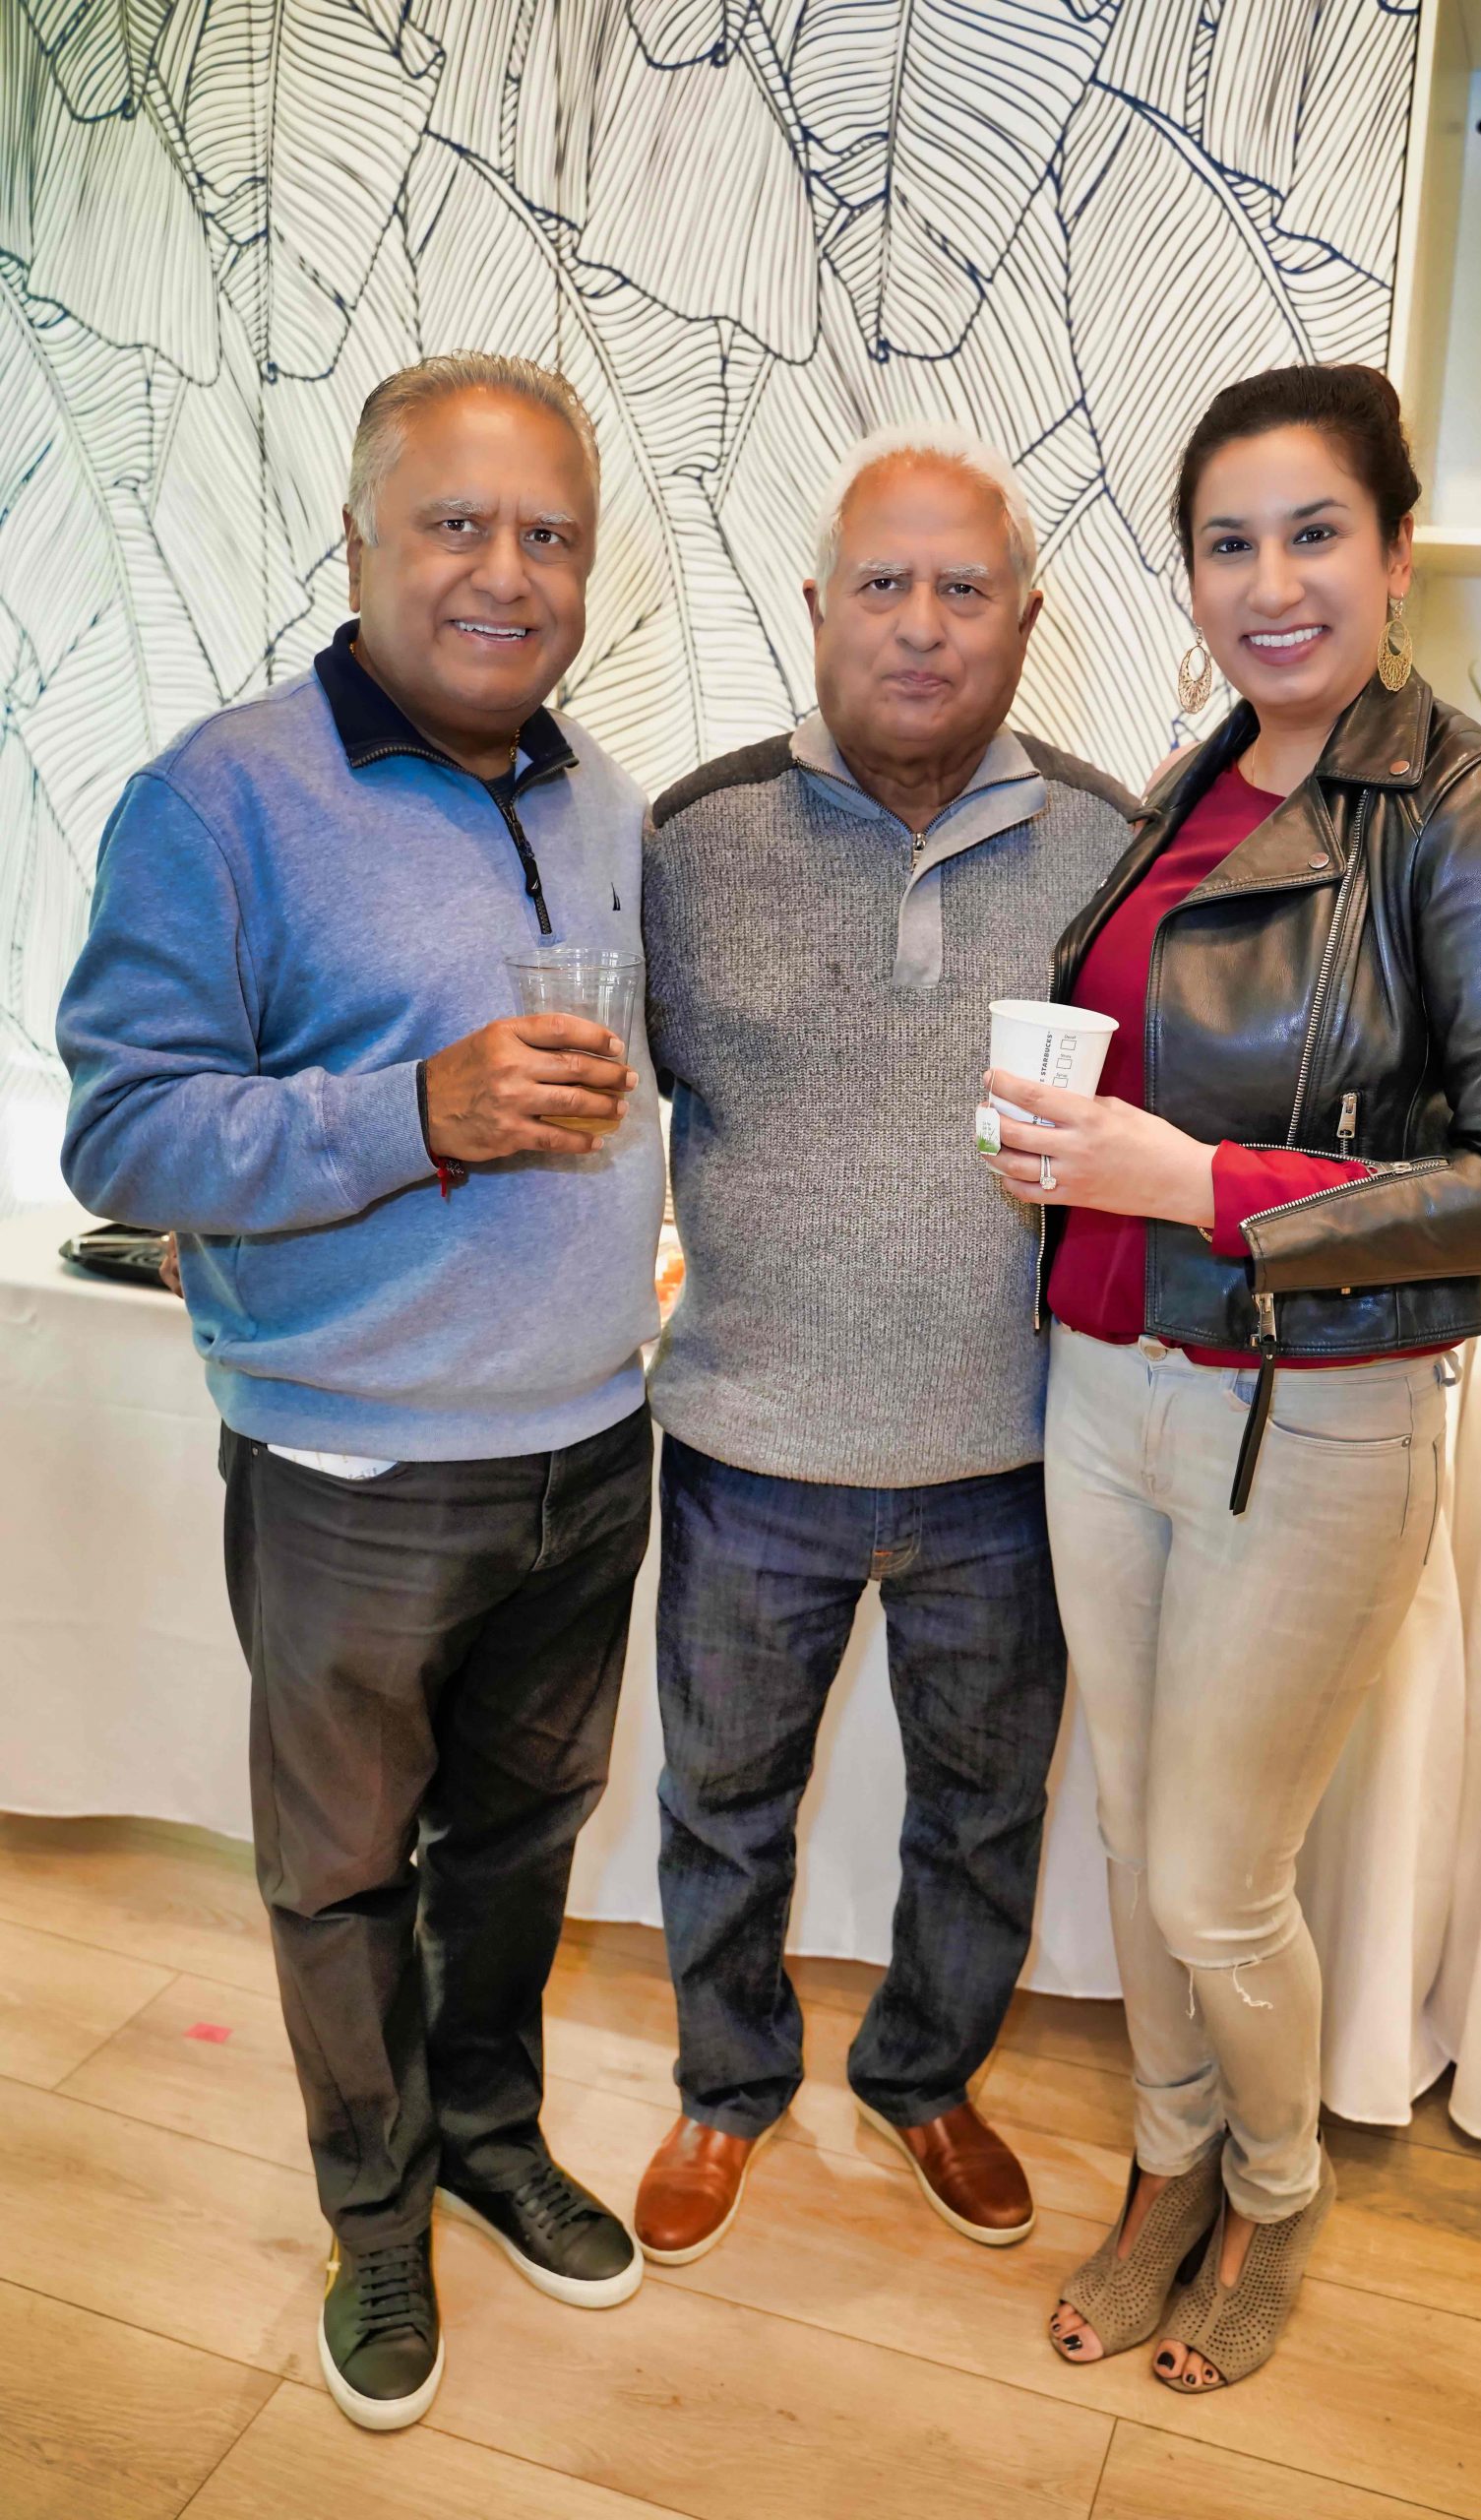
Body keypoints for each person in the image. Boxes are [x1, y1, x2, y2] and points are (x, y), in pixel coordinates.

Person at [57, 354, 665, 2431]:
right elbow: (125, 1136)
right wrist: (415, 1110)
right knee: (341, 1870)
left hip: (588, 1442)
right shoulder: (218, 800)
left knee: (521, 1841)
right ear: (358, 539)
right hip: (352, 1462)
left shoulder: (602, 797)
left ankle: (488, 2135)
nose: (507, 571)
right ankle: (375, 2204)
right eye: (457, 522)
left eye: (550, 533)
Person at [980, 362, 1481, 2392]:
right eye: (1226, 543)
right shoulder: (1194, 783)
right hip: (1105, 1387)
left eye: (1313, 532)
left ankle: (1274, 2181)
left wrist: (1197, 1182)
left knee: (1212, 1878)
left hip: (1308, 1413)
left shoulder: (1471, 804)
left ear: (1397, 551)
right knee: (1133, 1836)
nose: (1269, 583)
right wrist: (1068, 1160)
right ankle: (1168, 2163)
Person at [633, 423, 1141, 2265]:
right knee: (722, 1805)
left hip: (1013, 1454)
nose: (921, 623)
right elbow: (606, 1111)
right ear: (816, 608)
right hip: (748, 1447)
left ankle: (926, 2075)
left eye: (963, 587)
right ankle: (724, 2087)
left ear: (1025, 619)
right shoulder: (689, 844)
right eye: (882, 583)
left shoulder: (1108, 848)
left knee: (984, 1814)